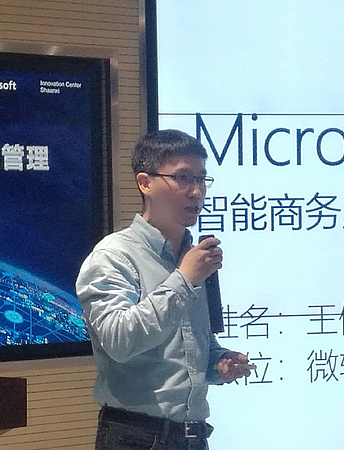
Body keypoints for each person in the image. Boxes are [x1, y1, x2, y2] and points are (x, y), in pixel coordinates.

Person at [76, 129, 252, 450]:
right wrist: (183, 280)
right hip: (135, 437)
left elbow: (187, 344)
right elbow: (119, 341)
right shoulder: (113, 256)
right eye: (183, 178)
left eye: (202, 179)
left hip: (193, 436)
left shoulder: (193, 256)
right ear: (145, 183)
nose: (196, 192)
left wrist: (218, 363)